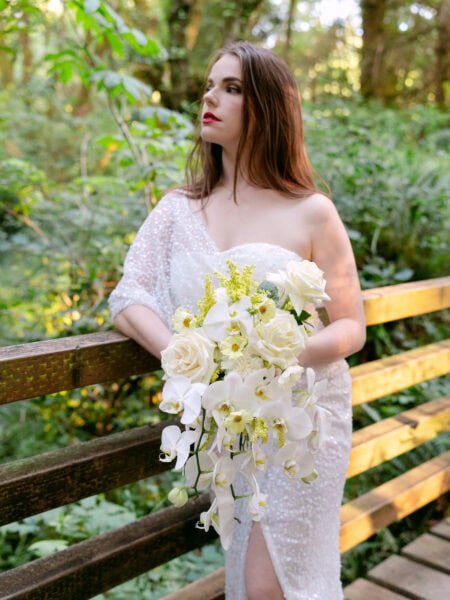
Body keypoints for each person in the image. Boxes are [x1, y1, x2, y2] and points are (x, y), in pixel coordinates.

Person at [109, 41, 366, 600]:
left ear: (268, 107)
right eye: (209, 85)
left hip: (302, 418)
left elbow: (351, 327)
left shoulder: (311, 210)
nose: (210, 97)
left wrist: (272, 356)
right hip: (230, 422)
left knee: (272, 583)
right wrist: (187, 358)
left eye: (232, 88)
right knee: (248, 581)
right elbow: (129, 293)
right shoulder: (178, 209)